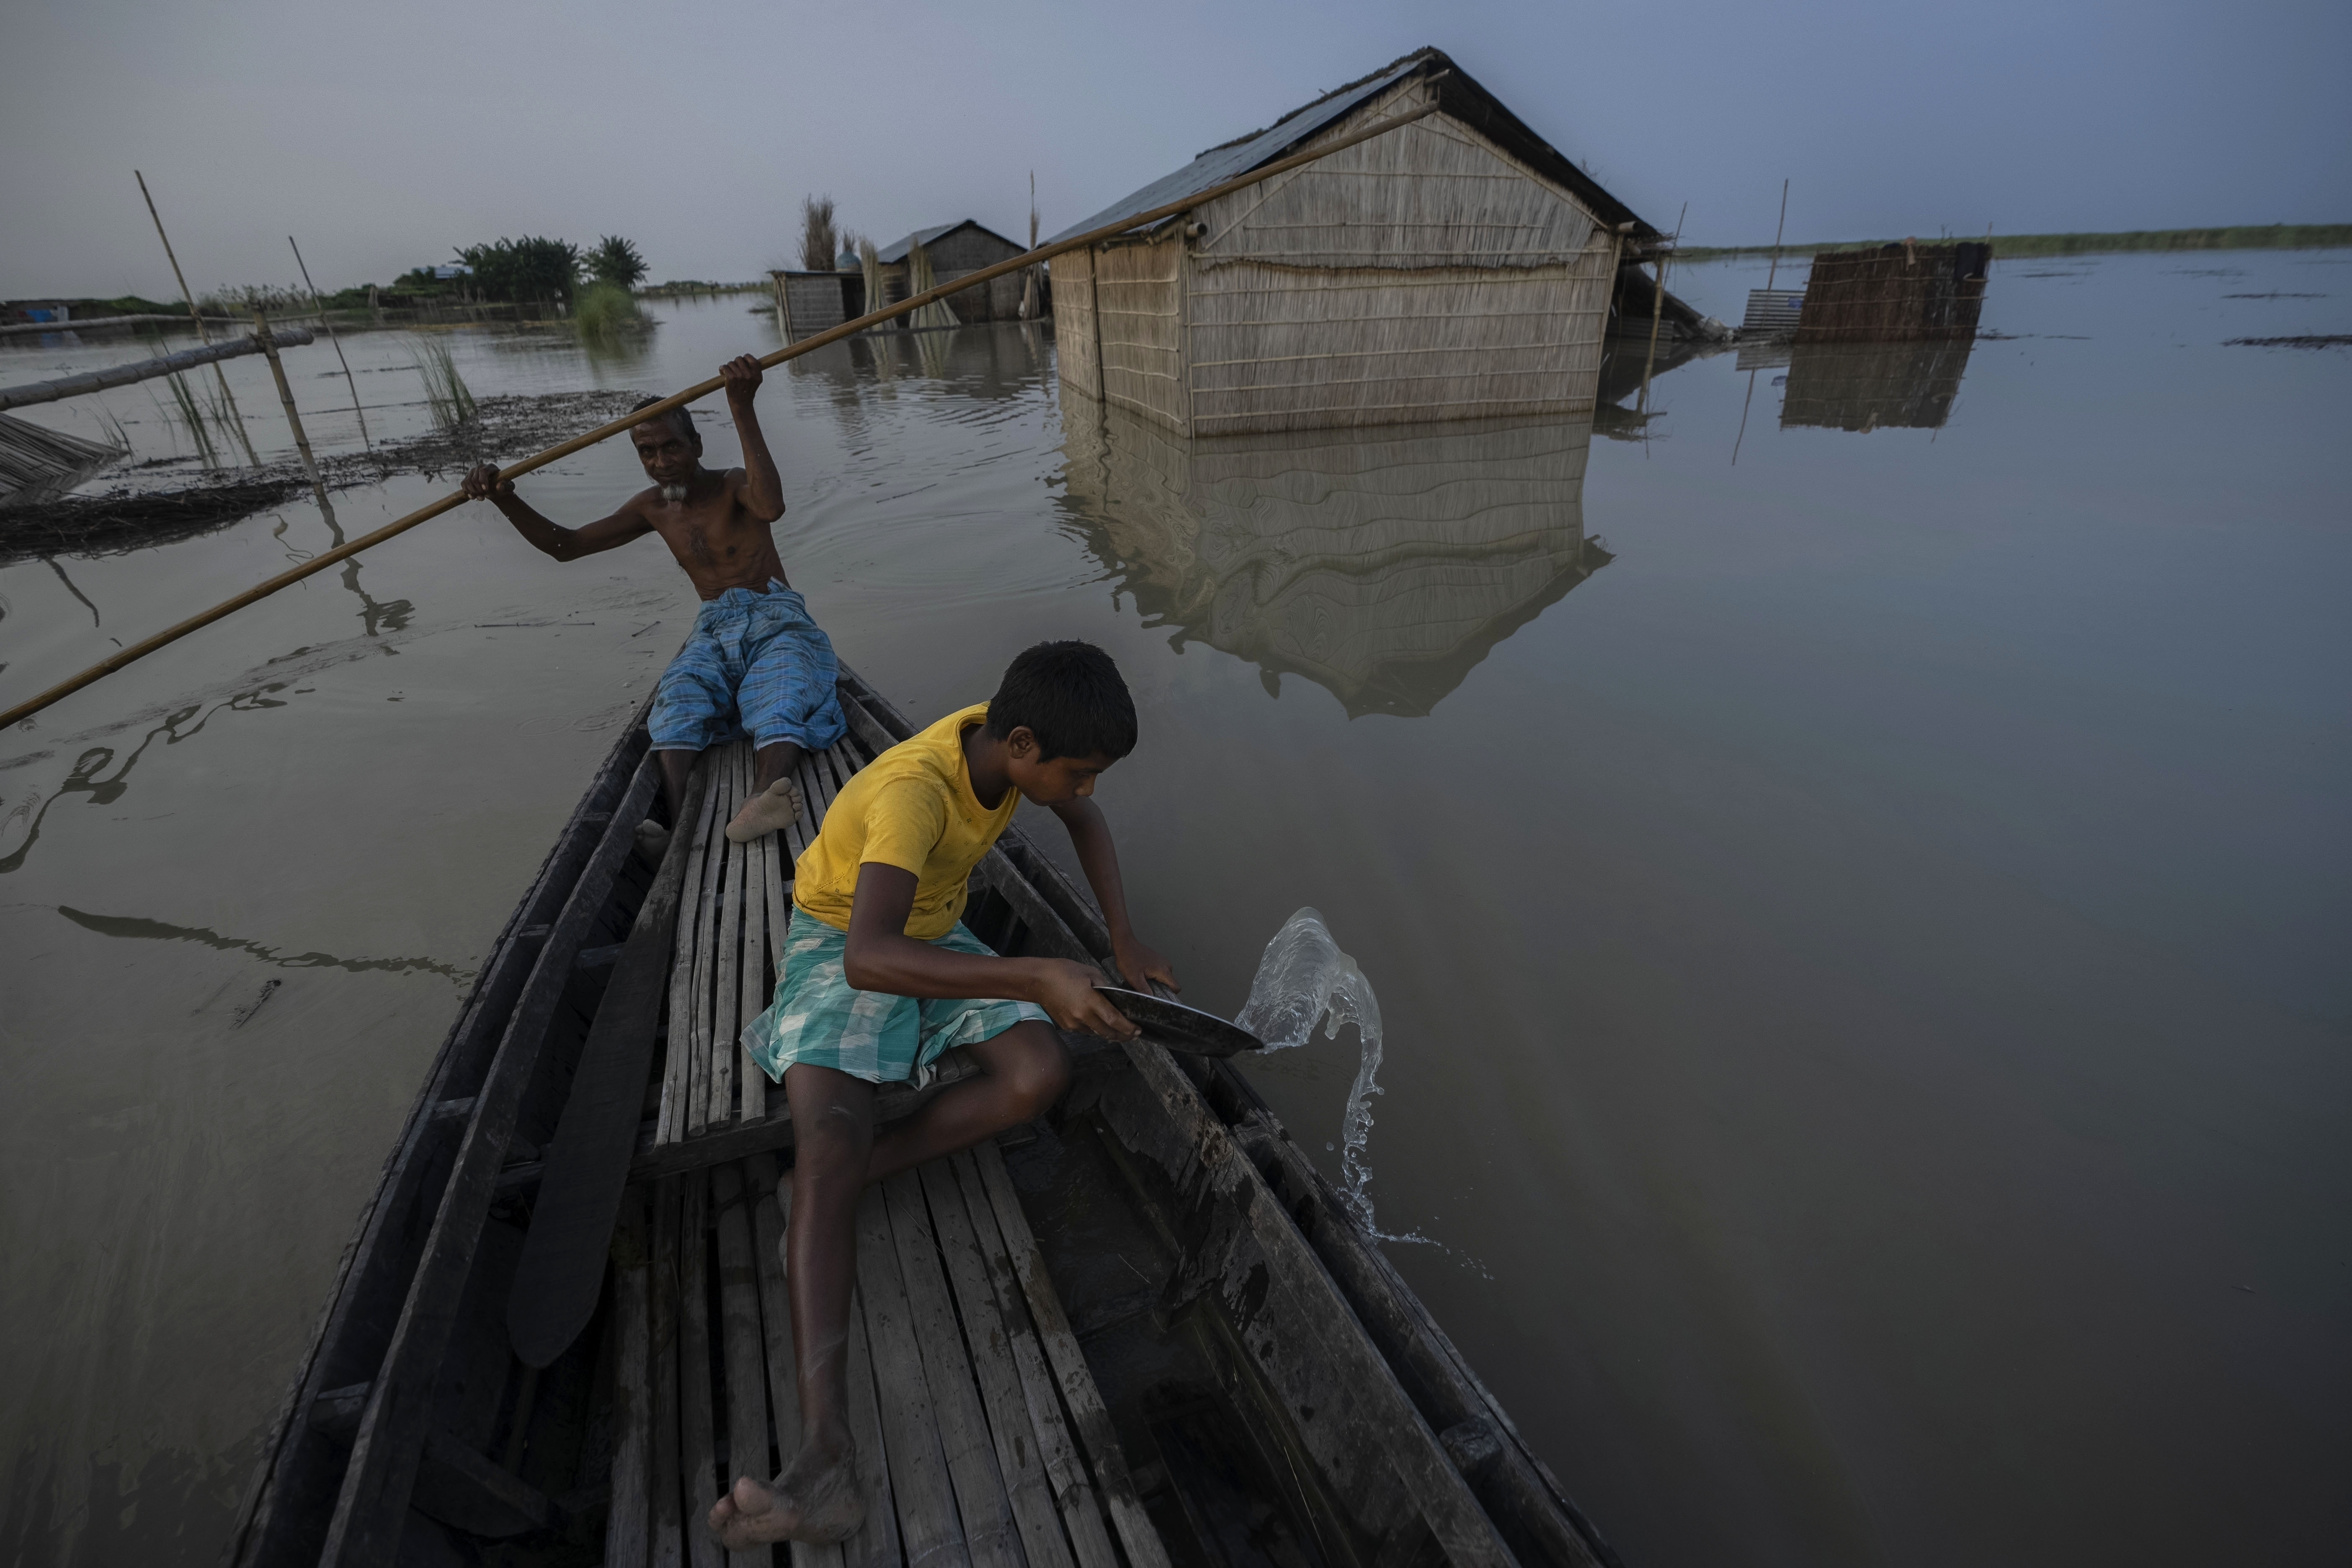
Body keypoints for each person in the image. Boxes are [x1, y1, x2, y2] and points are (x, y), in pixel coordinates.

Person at [707, 640, 1177, 1548]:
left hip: (938, 931)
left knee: (1042, 1074)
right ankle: (825, 1451)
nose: (1087, 791)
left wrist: (1121, 940)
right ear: (1028, 745)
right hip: (847, 936)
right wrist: (1039, 973)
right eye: (1078, 773)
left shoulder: (1006, 752)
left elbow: (1083, 820)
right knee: (830, 1139)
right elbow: (868, 957)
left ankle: (834, 1193)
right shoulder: (915, 794)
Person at [460, 354, 836, 851]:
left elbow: (772, 507)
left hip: (775, 618)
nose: (661, 463)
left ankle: (762, 797)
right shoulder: (652, 507)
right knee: (677, 704)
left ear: (696, 446)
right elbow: (566, 547)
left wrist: (742, 407)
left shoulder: (733, 486)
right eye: (648, 452)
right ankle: (682, 831)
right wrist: (506, 499)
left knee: (781, 692)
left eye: (672, 448)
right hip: (714, 626)